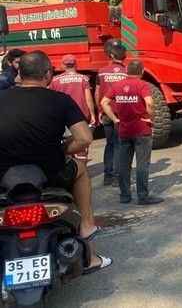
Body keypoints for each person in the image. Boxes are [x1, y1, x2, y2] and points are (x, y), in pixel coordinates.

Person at [0, 51, 111, 273]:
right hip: (50, 173)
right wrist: (62, 149)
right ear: (47, 74)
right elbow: (84, 138)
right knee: (81, 170)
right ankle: (87, 226)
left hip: (3, 176)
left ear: (19, 72)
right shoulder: (60, 100)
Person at [101, 60, 164, 205]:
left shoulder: (117, 85)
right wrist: (151, 118)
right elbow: (149, 103)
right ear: (141, 72)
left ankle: (125, 195)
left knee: (124, 164)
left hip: (124, 130)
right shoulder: (142, 85)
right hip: (142, 130)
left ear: (126, 71)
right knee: (142, 164)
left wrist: (115, 119)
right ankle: (143, 196)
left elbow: (104, 102)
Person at [50, 55, 96, 161]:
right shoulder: (83, 79)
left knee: (66, 144)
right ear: (76, 64)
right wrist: (92, 114)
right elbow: (88, 98)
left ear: (63, 65)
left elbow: (52, 99)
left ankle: (69, 165)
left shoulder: (55, 80)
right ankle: (81, 166)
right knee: (82, 145)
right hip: (80, 116)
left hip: (62, 116)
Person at [96, 39, 128, 186]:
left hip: (107, 112)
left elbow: (97, 92)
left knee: (110, 144)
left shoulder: (101, 72)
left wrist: (99, 109)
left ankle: (108, 176)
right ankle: (117, 176)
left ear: (111, 55)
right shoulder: (127, 72)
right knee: (120, 145)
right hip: (122, 114)